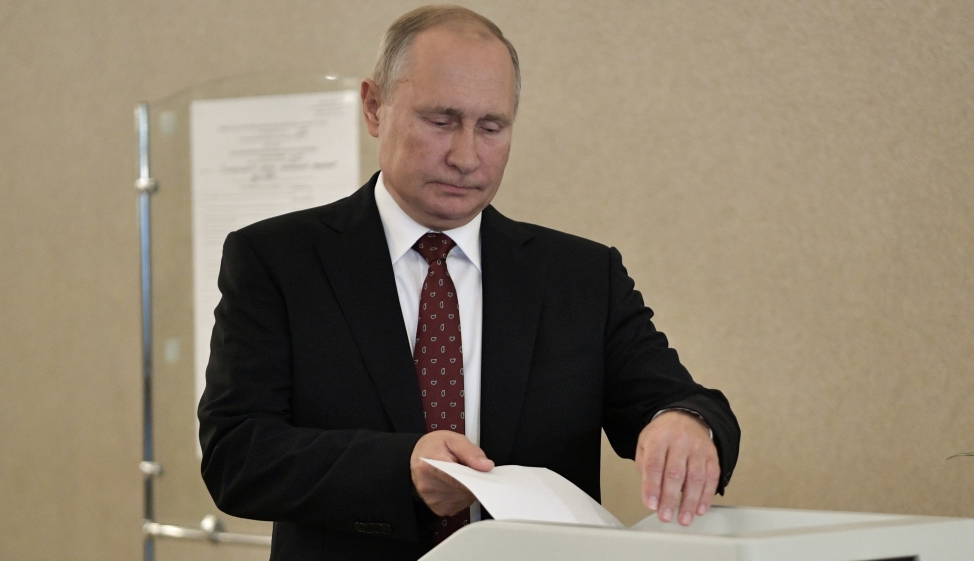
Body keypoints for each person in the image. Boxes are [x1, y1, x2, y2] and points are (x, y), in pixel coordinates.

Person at [198, 5, 739, 561]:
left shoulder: (580, 276)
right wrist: (403, 468)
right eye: (440, 120)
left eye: (491, 127)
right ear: (374, 106)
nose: (466, 156)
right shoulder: (277, 259)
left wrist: (686, 424)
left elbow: (678, 401)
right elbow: (236, 455)